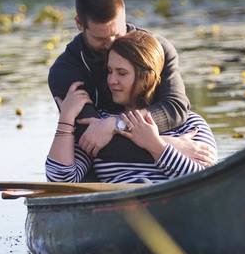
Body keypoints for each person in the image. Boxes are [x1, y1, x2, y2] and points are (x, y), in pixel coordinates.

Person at [47, 0, 215, 168]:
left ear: (124, 15)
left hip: (167, 163)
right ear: (79, 23)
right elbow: (93, 142)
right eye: (101, 38)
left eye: (118, 33)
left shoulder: (159, 50)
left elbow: (174, 109)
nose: (111, 44)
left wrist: (116, 124)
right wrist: (172, 146)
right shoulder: (65, 71)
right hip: (105, 172)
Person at [46, 30, 217, 184]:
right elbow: (61, 179)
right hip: (120, 208)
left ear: (146, 78)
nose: (111, 81)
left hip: (175, 205)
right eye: (109, 71)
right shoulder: (99, 124)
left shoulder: (190, 124)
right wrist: (66, 119)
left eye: (122, 73)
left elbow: (208, 179)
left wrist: (157, 146)